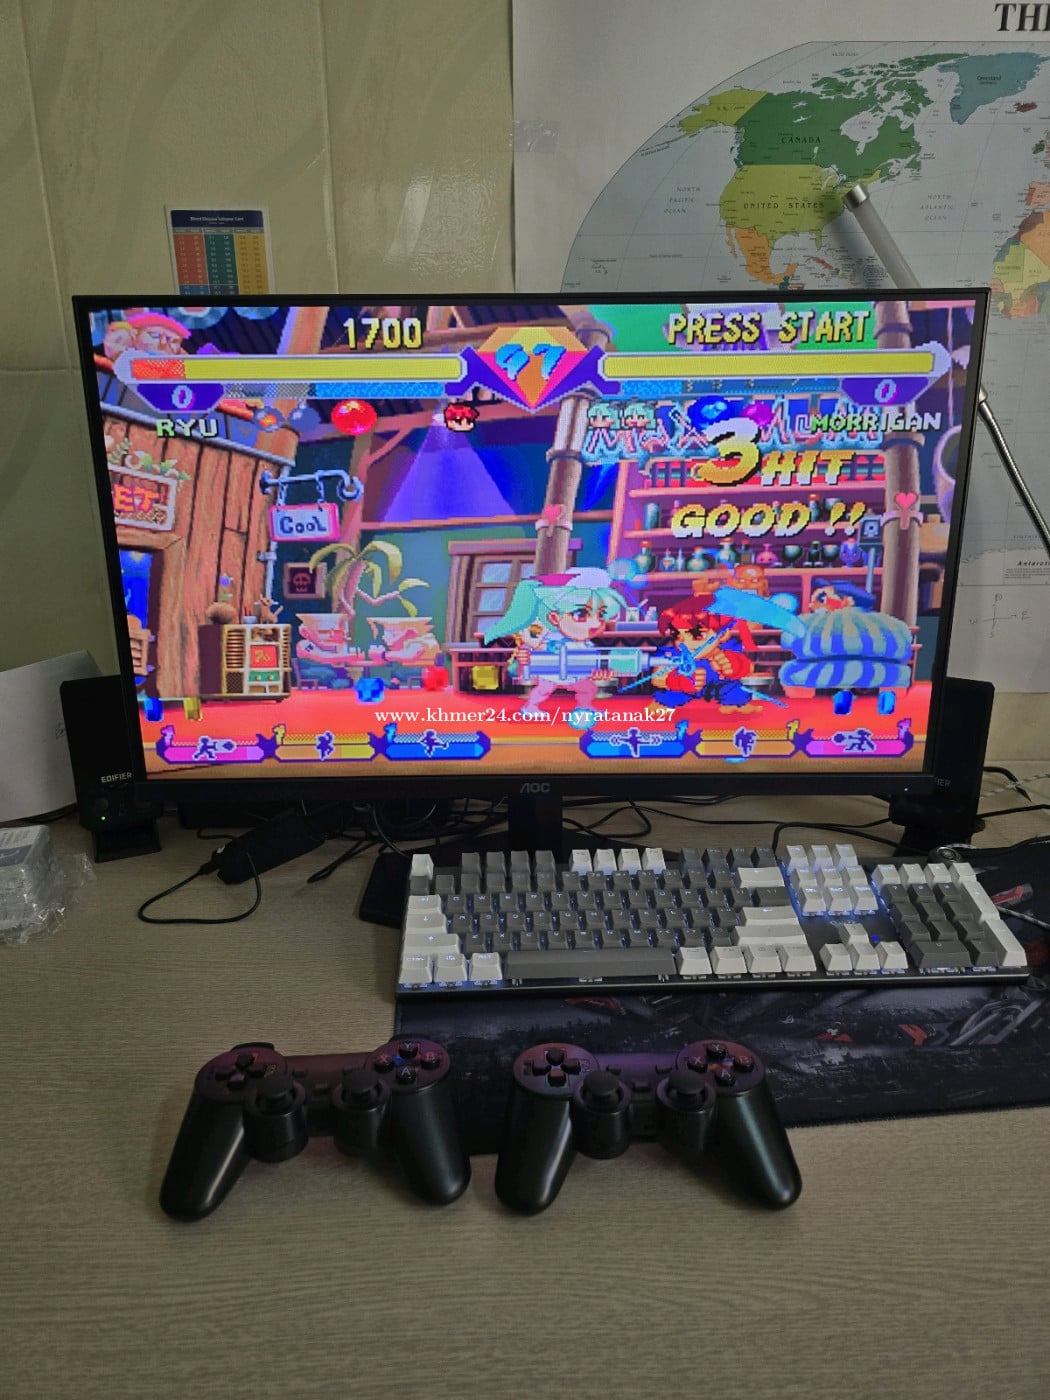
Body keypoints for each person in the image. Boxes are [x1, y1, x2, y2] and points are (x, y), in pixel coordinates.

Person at [482, 567, 625, 716]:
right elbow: (533, 648)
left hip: (575, 675)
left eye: (601, 615)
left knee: (589, 689)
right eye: (580, 614)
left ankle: (584, 707)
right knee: (543, 690)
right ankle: (530, 707)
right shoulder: (549, 637)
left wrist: (598, 672)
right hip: (550, 674)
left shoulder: (586, 645)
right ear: (555, 618)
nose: (595, 624)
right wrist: (528, 655)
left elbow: (591, 661)